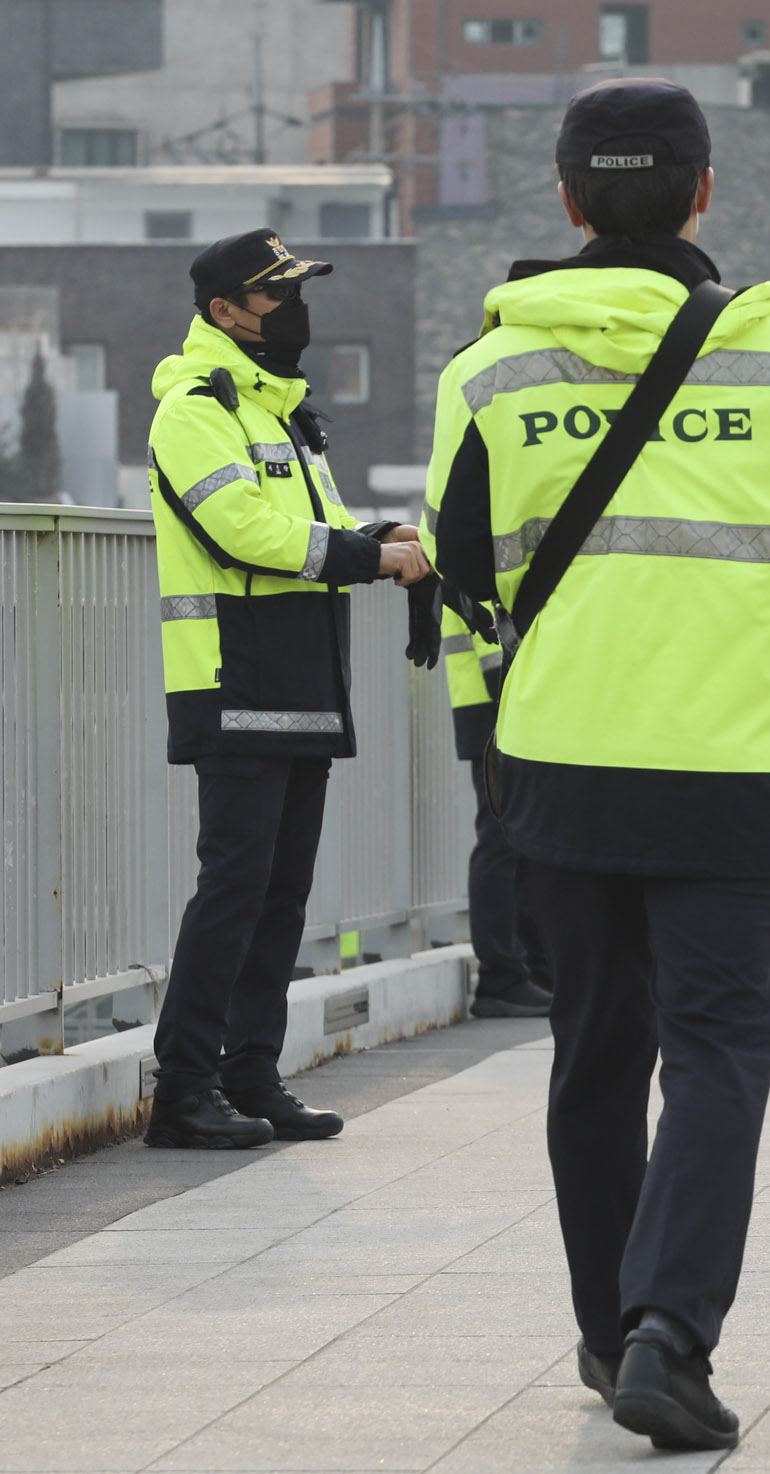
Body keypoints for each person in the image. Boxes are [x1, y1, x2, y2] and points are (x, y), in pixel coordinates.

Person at [422, 79, 770, 1451]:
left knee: (595, 1048)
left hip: (559, 761)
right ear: (702, 195)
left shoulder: (487, 366)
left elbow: (456, 566)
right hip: (732, 765)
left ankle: (609, 1326)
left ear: (565, 201)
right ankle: (672, 1336)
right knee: (720, 1051)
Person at [142, 230, 431, 1151]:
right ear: (224, 311)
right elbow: (242, 531)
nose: (293, 311)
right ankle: (183, 1090)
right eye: (276, 296)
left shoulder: (279, 412)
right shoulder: (195, 407)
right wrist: (363, 555)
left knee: (280, 892)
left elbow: (320, 524)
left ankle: (250, 1075)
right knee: (232, 888)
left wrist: (389, 537)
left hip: (300, 673)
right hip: (233, 677)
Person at [439, 603, 552, 1017]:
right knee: (502, 840)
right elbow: (493, 635)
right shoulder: (484, 542)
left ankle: (531, 970)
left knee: (522, 842)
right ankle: (502, 977)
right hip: (500, 699)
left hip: (500, 699)